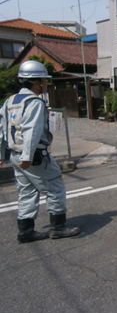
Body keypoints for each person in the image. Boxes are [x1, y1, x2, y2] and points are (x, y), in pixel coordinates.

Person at [0, 60, 80, 244]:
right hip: (34, 157)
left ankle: (26, 232)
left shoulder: (9, 102)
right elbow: (32, 131)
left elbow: (2, 129)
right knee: (55, 187)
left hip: (14, 155)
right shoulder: (34, 102)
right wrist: (28, 156)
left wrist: (1, 155)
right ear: (36, 82)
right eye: (44, 80)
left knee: (27, 191)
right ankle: (58, 228)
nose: (46, 83)